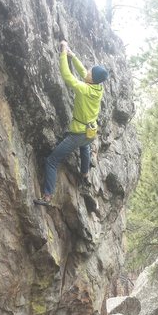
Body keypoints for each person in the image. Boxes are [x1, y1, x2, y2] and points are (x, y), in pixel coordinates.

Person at [34, 40, 108, 206]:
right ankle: (84, 173)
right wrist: (72, 55)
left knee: (52, 161)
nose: (87, 71)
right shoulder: (98, 87)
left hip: (79, 133)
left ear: (93, 78)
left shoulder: (85, 89)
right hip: (91, 130)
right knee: (86, 146)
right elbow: (83, 72)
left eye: (90, 72)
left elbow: (67, 76)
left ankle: (47, 197)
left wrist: (62, 53)